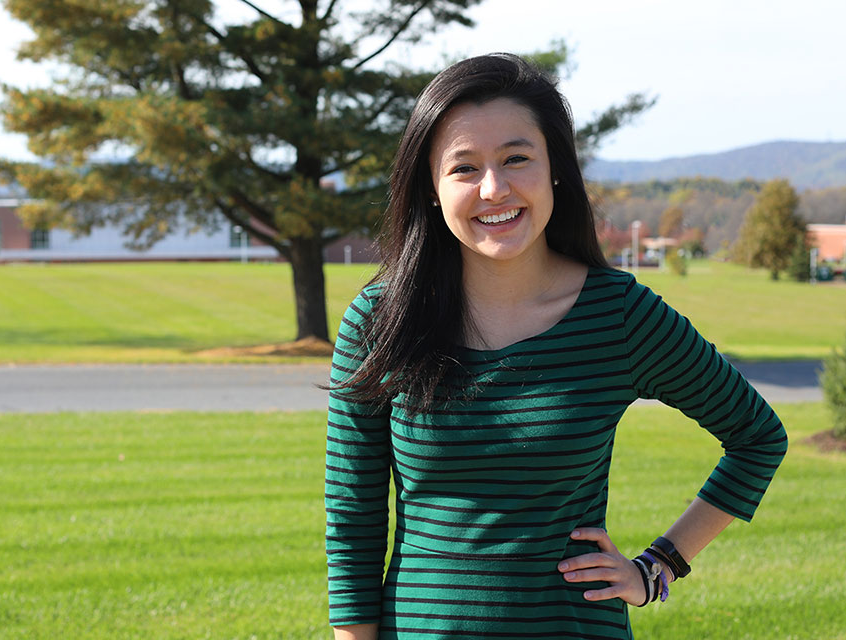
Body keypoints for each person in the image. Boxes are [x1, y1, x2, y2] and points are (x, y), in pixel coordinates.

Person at [324, 53, 787, 640]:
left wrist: (658, 567)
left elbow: (757, 437)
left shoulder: (618, 315)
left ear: (555, 171)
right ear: (432, 191)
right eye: (464, 167)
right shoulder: (381, 320)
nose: (494, 188)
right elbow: (353, 519)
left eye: (517, 158)